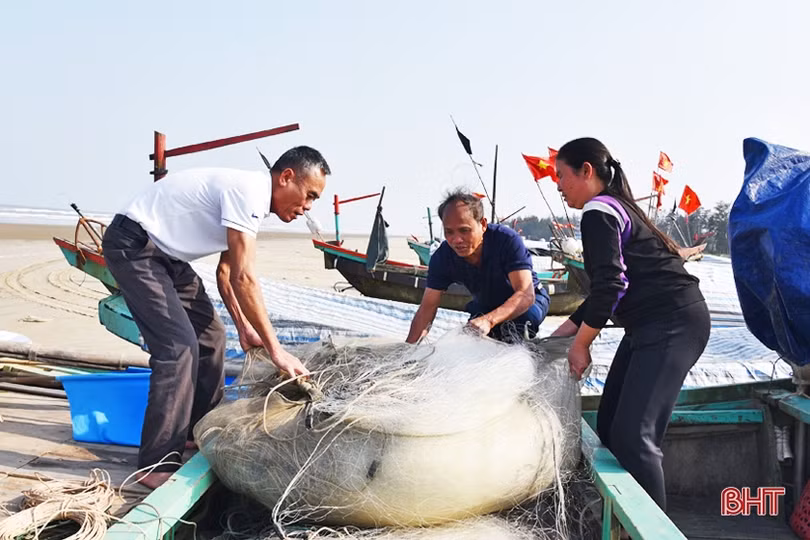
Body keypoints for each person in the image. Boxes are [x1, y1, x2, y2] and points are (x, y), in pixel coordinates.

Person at [102, 146, 330, 489]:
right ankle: (155, 462)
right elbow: (244, 278)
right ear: (286, 178)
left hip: (169, 258)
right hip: (135, 247)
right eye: (309, 195)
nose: (308, 207)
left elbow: (225, 274)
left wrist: (243, 328)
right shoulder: (249, 192)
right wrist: (276, 349)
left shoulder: (252, 201)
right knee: (178, 349)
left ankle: (196, 429)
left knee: (212, 338)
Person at [550, 137, 710, 510]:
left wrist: (580, 345)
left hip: (673, 322)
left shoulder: (598, 211)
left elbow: (611, 287)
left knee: (635, 436)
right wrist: (562, 335)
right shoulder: (617, 207)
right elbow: (607, 290)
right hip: (650, 325)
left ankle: (652, 531)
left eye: (561, 176)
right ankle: (622, 522)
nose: (558, 186)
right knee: (608, 424)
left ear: (586, 171)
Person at [406, 189, 551, 344]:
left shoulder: (507, 240)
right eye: (449, 232)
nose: (456, 240)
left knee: (516, 330)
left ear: (482, 224)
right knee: (470, 340)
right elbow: (427, 308)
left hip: (530, 300)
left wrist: (489, 321)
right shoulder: (442, 258)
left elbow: (525, 295)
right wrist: (408, 351)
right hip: (485, 304)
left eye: (464, 230)